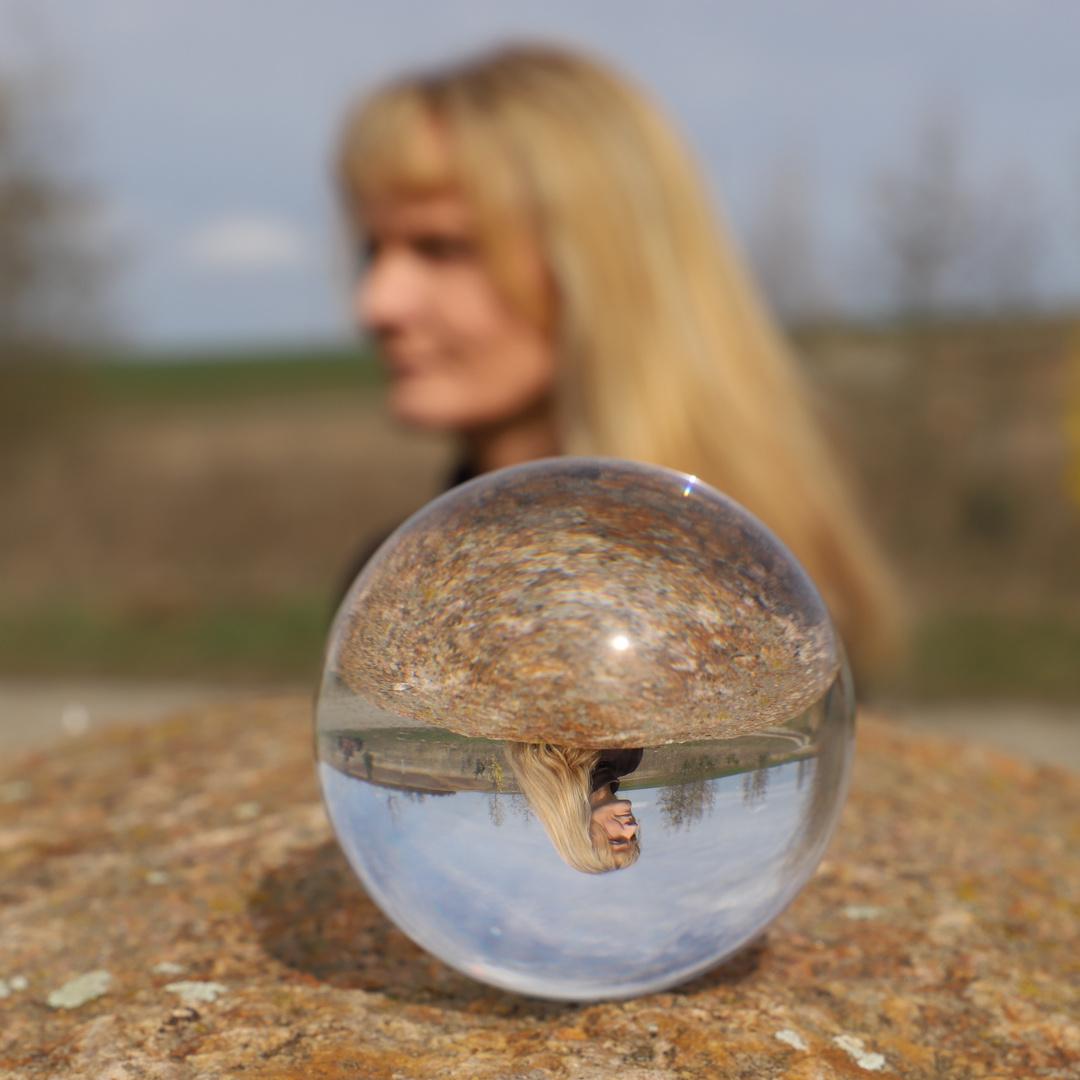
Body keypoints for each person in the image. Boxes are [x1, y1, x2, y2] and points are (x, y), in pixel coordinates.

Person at [338, 43, 900, 678]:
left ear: (600, 267)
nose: (376, 304)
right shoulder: (397, 578)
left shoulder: (742, 599)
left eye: (442, 247)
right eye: (371, 250)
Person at [506, 743, 642, 873]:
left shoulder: (550, 756)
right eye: (633, 837)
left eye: (616, 840)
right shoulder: (629, 760)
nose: (633, 827)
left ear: (580, 832)